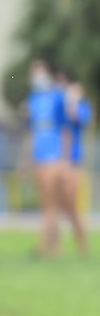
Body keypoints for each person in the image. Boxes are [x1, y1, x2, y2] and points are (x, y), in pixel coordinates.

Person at [25, 59, 68, 257]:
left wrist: (65, 159)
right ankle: (56, 246)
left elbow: (65, 128)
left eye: (38, 71)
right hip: (40, 156)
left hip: (54, 155)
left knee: (53, 203)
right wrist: (29, 159)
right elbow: (32, 131)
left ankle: (45, 245)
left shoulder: (58, 97)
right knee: (47, 203)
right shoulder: (34, 99)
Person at [57, 69, 91, 256]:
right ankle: (57, 247)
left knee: (73, 207)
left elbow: (77, 117)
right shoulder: (59, 108)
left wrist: (71, 100)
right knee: (58, 207)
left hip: (73, 164)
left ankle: (82, 245)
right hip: (58, 162)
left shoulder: (83, 107)